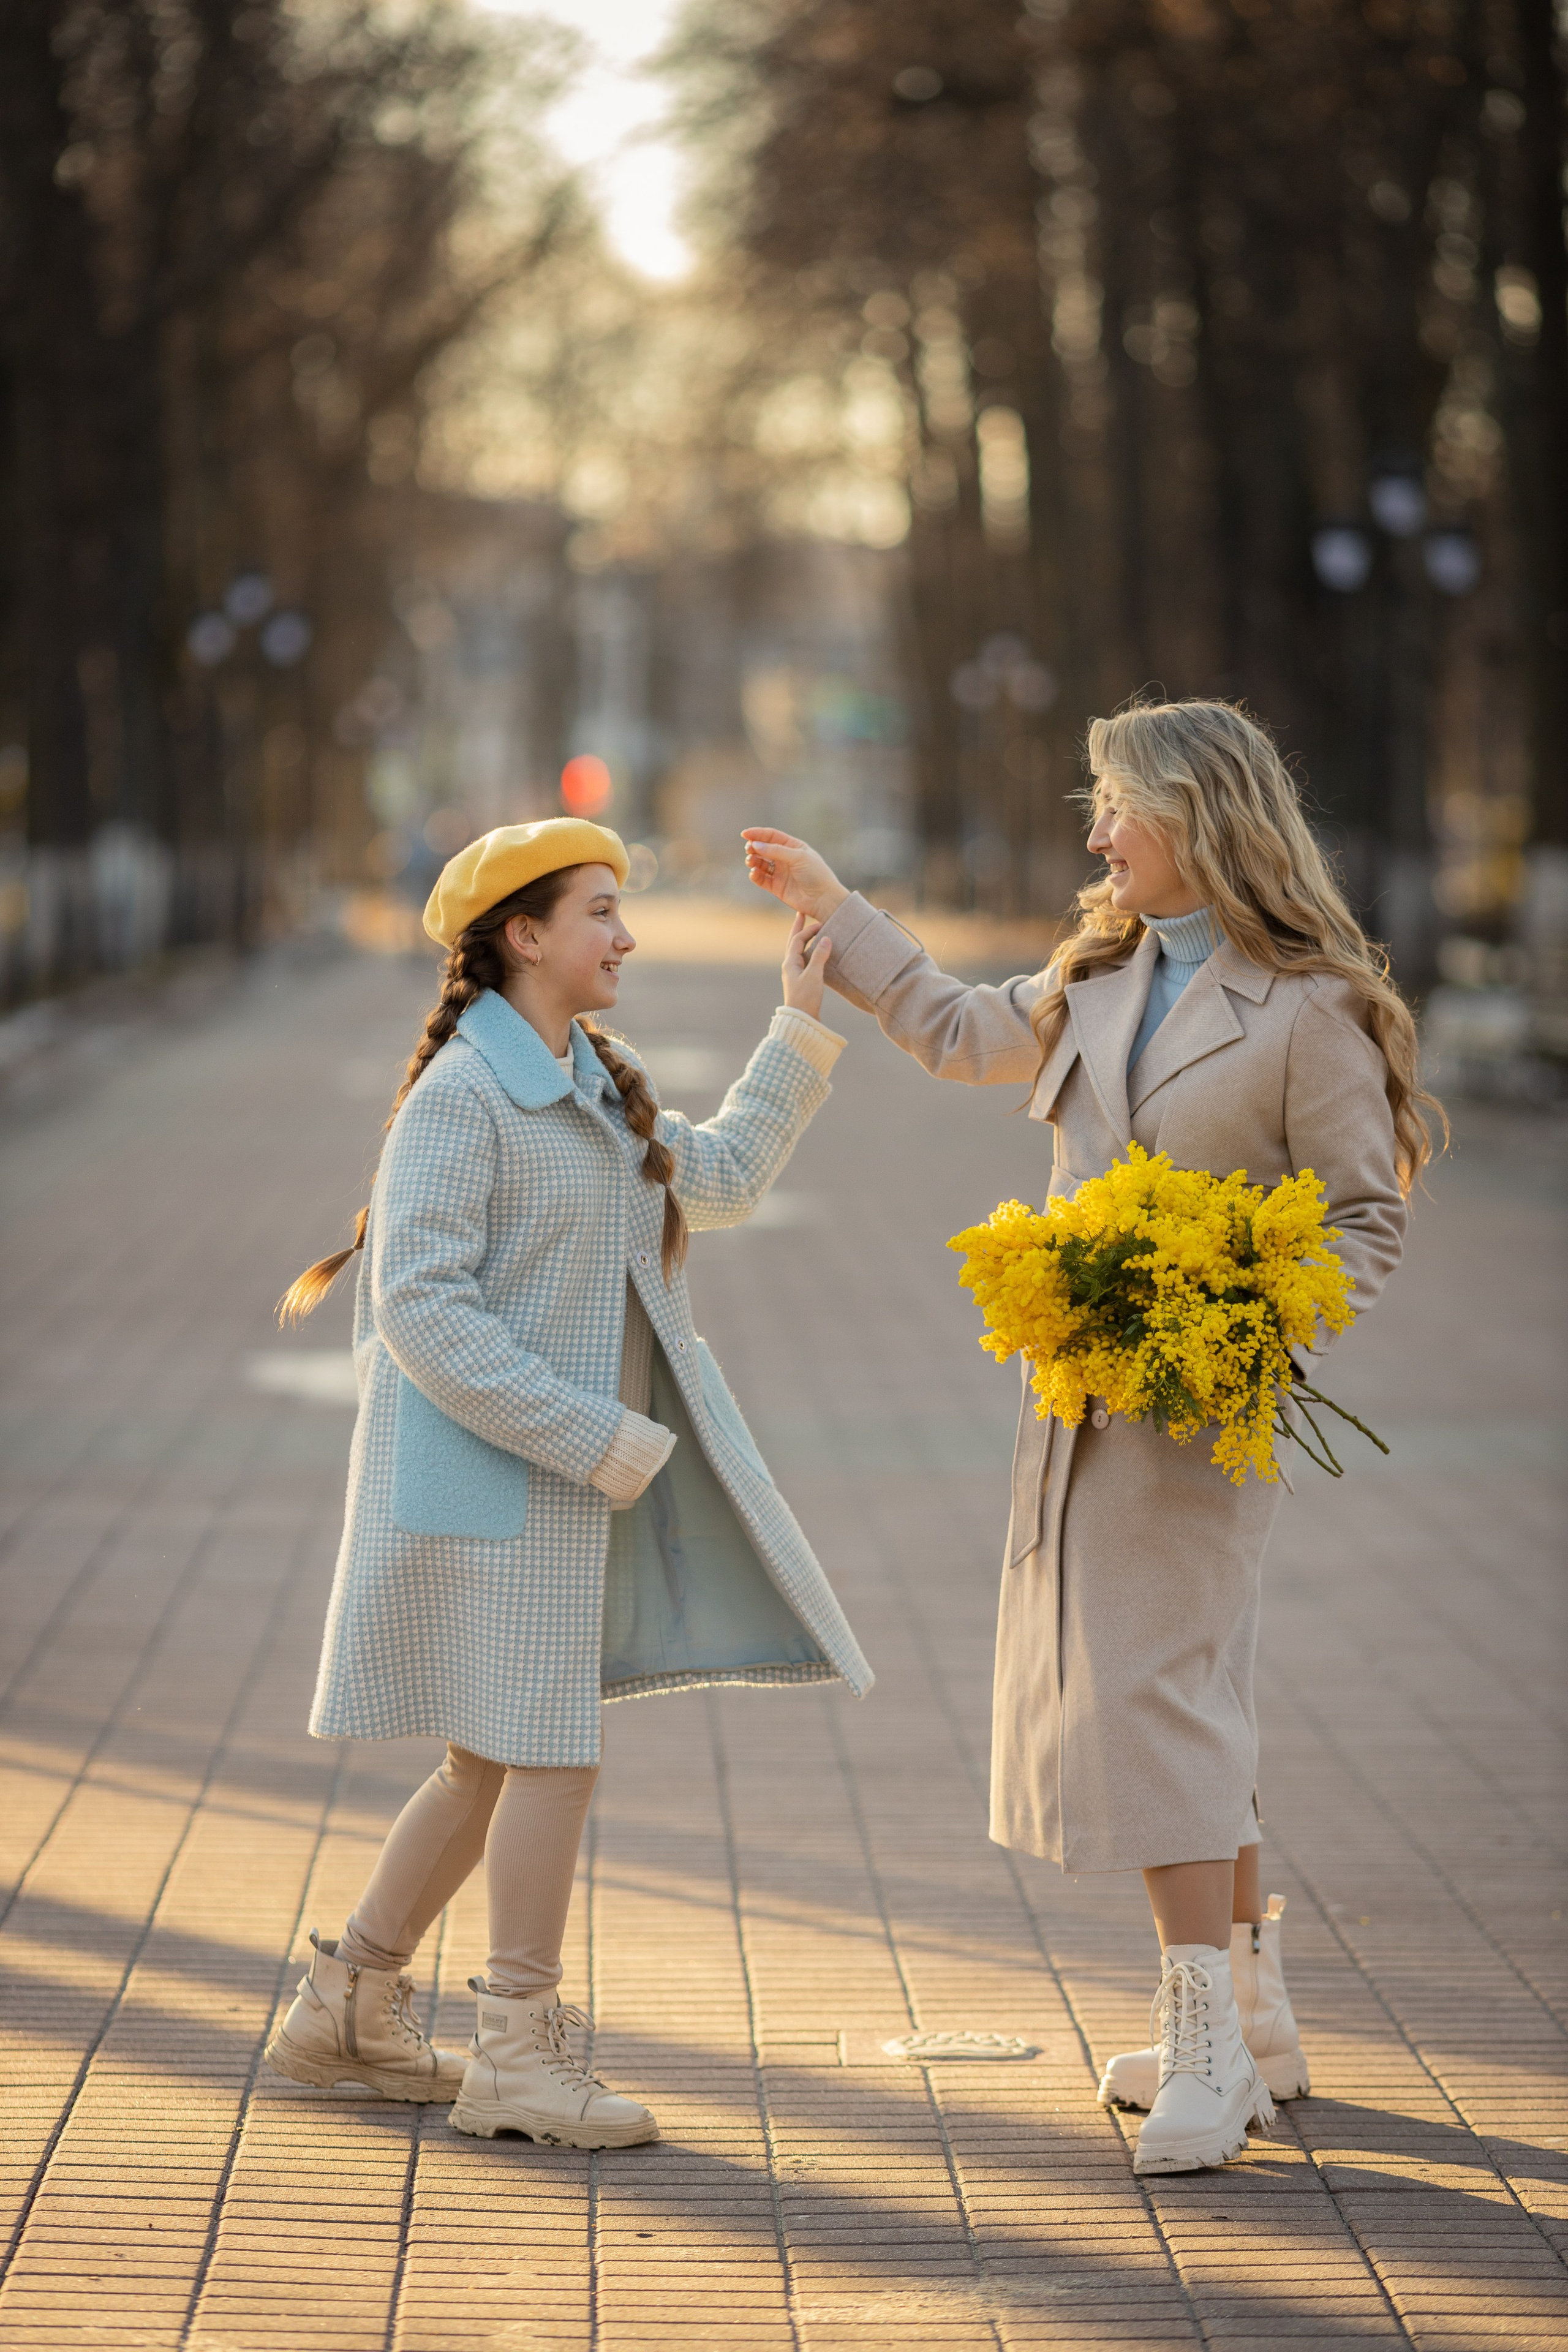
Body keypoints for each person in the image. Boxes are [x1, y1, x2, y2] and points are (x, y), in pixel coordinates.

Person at [743, 698, 1439, 2176]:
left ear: (1197, 818)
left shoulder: (1308, 1007)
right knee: (1189, 1695)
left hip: (1201, 1412)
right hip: (1073, 1403)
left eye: (1115, 805)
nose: (1095, 835)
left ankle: (1201, 2046)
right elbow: (948, 1030)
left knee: (1148, 1701)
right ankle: (1250, 2025)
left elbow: (1363, 1215)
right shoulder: (1098, 977)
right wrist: (834, 912)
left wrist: (1251, 1333)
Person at [265, 817, 872, 2148]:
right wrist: (588, 1436)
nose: (627, 935)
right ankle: (516, 2057)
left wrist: (801, 1024)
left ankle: (347, 2007)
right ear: (522, 936)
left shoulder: (599, 1075)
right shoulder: (460, 1101)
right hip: (502, 1487)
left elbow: (717, 1182)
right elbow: (418, 1306)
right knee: (547, 1758)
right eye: (599, 910)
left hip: (543, 1487)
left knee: (489, 1765)